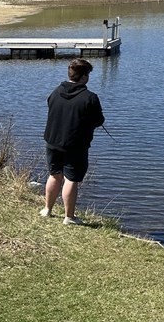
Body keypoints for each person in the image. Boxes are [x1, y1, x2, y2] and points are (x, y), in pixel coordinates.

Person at [41, 57, 105, 225]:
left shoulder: (55, 91)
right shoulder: (90, 97)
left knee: (54, 175)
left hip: (52, 141)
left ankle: (47, 209)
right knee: (71, 179)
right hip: (75, 145)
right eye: (88, 74)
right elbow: (98, 120)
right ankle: (69, 217)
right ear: (84, 76)